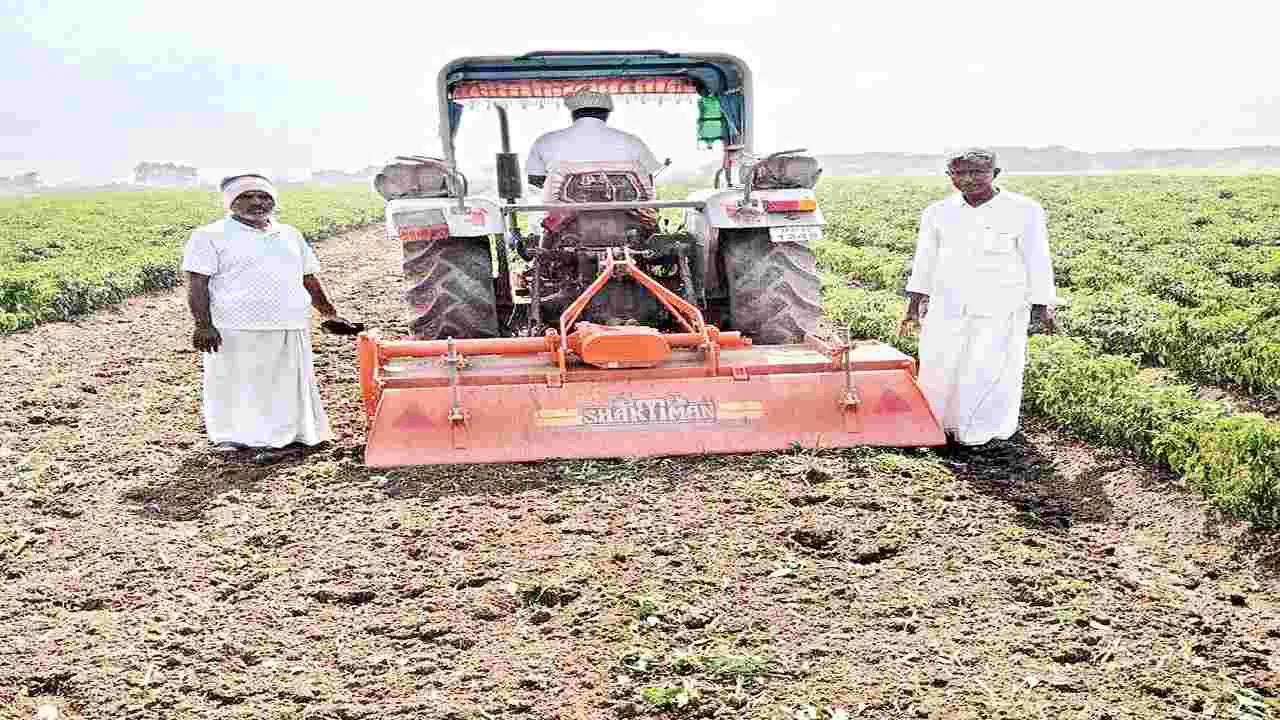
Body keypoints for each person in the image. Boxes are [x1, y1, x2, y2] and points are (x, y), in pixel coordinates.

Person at [181, 173, 353, 461]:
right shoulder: (209, 236)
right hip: (235, 327)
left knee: (286, 385)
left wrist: (329, 313)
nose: (257, 203)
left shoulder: (289, 234)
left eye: (264, 196)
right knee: (237, 385)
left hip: (288, 323)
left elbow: (308, 278)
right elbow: (196, 282)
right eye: (246, 197)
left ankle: (291, 439)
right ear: (230, 203)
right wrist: (202, 324)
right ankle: (232, 439)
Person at [897, 149, 1059, 447]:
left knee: (990, 367)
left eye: (977, 172)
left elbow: (1037, 259)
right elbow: (925, 262)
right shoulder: (937, 213)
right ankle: (936, 426)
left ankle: (985, 432)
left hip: (1001, 305)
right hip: (948, 303)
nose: (968, 179)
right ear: (950, 176)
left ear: (995, 174)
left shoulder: (1024, 209)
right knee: (939, 364)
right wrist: (913, 306)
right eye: (959, 173)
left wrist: (1043, 305)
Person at [525, 89, 664, 190]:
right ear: (606, 114)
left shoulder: (545, 141)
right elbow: (648, 180)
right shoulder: (632, 141)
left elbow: (535, 181)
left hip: (562, 221)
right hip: (623, 219)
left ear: (573, 113)